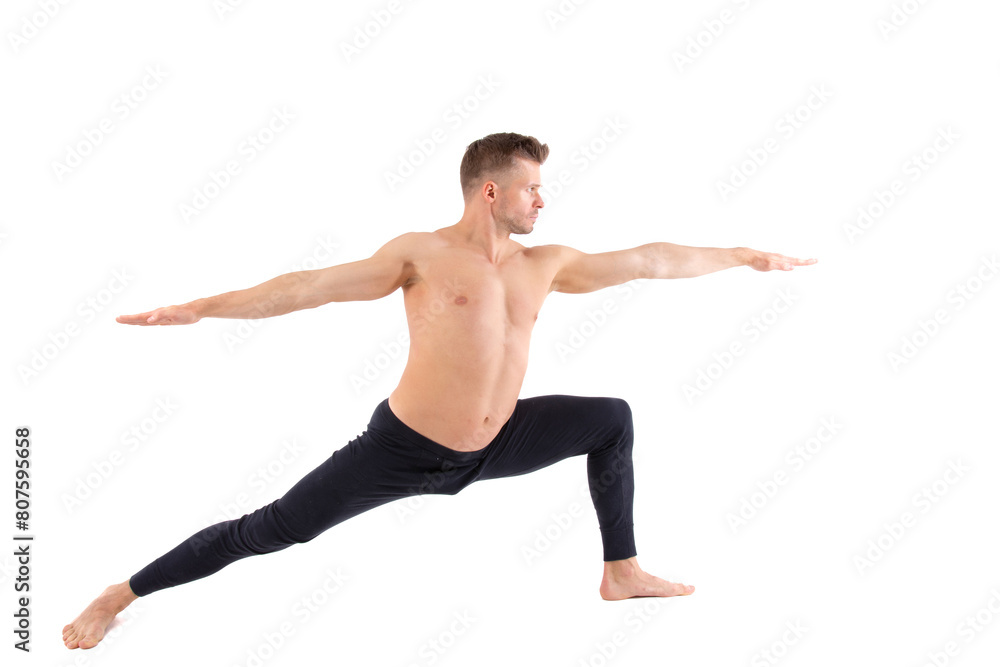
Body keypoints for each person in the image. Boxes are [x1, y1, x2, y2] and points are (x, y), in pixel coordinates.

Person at [63, 132, 817, 649]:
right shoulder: (419, 254)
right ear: (493, 191)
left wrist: (742, 255)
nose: (543, 202)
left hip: (495, 444)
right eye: (533, 189)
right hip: (401, 449)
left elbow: (650, 260)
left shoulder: (546, 262)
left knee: (610, 420)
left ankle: (620, 571)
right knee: (269, 530)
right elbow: (309, 287)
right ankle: (119, 594)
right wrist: (202, 306)